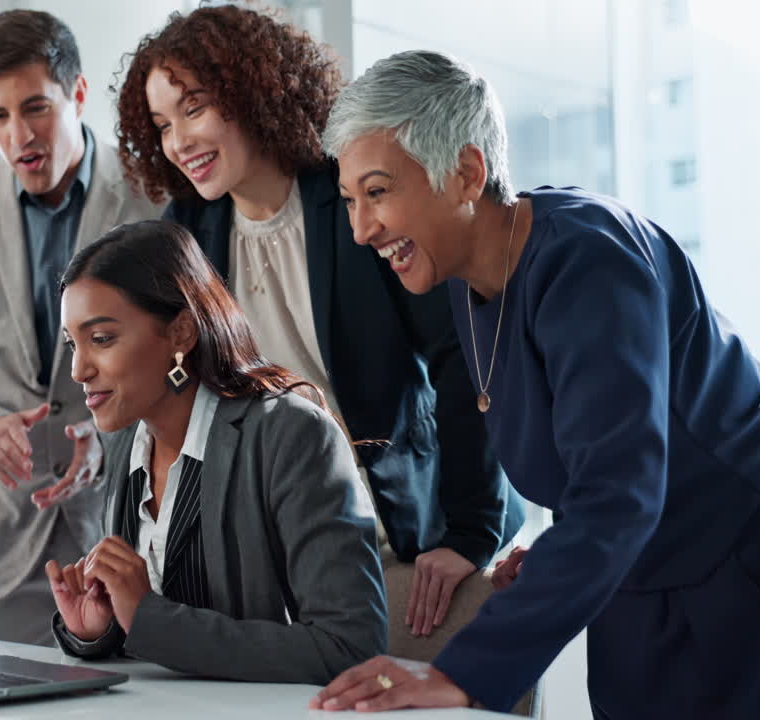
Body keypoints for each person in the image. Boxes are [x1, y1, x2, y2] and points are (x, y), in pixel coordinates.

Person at [313, 50, 760, 718]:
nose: (361, 229)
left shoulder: (590, 259)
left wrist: (463, 672)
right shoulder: (466, 280)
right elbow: (594, 456)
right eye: (349, 201)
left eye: (377, 193)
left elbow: (620, 489)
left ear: (465, 173)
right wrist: (553, 550)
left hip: (751, 540)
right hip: (642, 558)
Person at [114, 4, 521, 637]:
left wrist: (473, 531)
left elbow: (461, 357)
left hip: (399, 524)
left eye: (194, 109)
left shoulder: (357, 197)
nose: (178, 143)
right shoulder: (185, 235)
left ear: (252, 91)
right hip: (272, 542)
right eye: (163, 125)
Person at [0, 10, 162, 646]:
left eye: (35, 108)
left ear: (76, 93)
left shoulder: (155, 198)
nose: (19, 135)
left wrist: (110, 443)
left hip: (132, 535)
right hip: (7, 546)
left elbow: (190, 356)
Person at [44, 220, 386, 684]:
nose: (79, 369)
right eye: (72, 343)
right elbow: (145, 635)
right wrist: (99, 629)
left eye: (101, 339)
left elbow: (350, 648)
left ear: (181, 332)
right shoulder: (126, 439)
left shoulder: (292, 435)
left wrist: (146, 616)